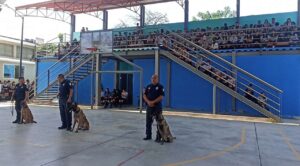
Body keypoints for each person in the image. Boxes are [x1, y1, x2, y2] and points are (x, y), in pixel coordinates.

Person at [143, 74, 165, 141]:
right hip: (149, 107)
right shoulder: (148, 86)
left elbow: (161, 97)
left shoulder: (160, 87)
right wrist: (148, 102)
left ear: (157, 79)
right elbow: (144, 95)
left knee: (159, 122)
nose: (153, 79)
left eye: (155, 78)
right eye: (152, 78)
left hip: (157, 107)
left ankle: (158, 137)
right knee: (148, 122)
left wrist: (153, 102)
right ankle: (148, 136)